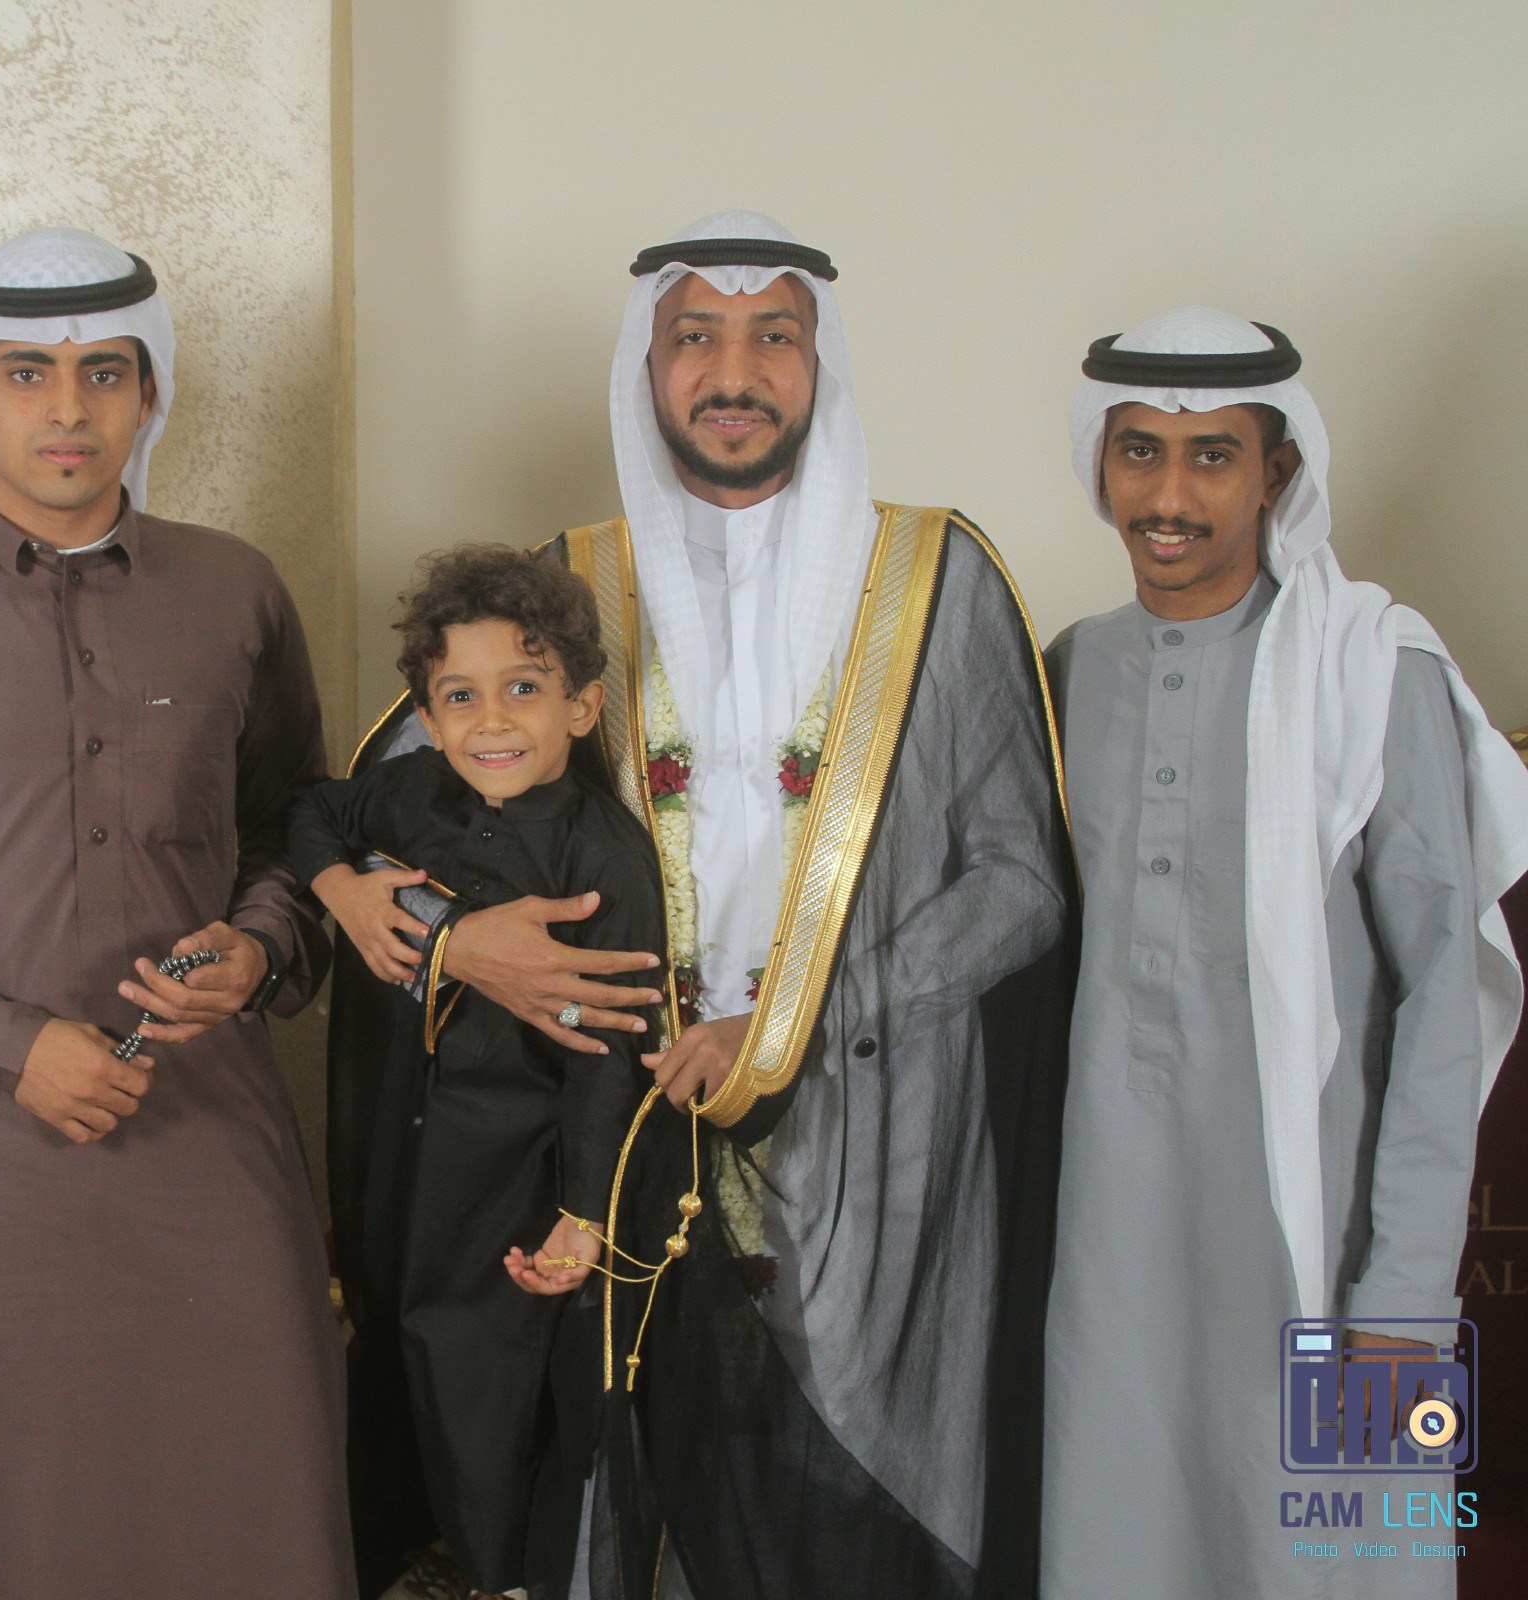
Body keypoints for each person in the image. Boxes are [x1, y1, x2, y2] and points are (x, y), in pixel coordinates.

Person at [329, 211, 1076, 1600]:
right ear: (649, 366)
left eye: (771, 337)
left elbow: (1020, 888)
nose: (733, 373)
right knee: (623, 1504)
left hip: (879, 1154)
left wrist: (797, 1025)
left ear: (819, 362)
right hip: (610, 1143)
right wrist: (450, 940)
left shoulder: (936, 580)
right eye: (696, 338)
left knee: (853, 1529)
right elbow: (386, 823)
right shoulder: (567, 590)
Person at [0, 226, 352, 1600]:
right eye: (27, 374)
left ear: (149, 394)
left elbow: (299, 827)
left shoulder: (233, 588)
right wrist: (10, 1043)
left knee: (243, 1512)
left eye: (105, 372)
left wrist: (258, 946)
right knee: (2, 1528)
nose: (68, 409)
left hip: (210, 1136)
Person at [1041, 308, 1528, 1600]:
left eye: (1213, 456)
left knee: (1356, 1558)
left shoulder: (1375, 672)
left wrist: (1406, 1304)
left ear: (1278, 472)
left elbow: (1446, 998)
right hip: (1112, 1269)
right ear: (1100, 464)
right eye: (1140, 451)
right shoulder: (1067, 674)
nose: (1169, 496)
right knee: (1121, 1551)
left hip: (1336, 1270)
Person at [290, 544, 662, 1599]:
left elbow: (609, 1054)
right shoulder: (414, 792)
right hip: (402, 1146)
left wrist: (583, 1213)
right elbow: (314, 810)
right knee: (393, 1347)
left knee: (485, 1379)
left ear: (582, 706)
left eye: (524, 689)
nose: (492, 721)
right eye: (461, 696)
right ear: (428, 714)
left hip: (514, 1167)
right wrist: (342, 891)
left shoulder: (604, 857)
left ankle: (502, 1574)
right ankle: (410, 1558)